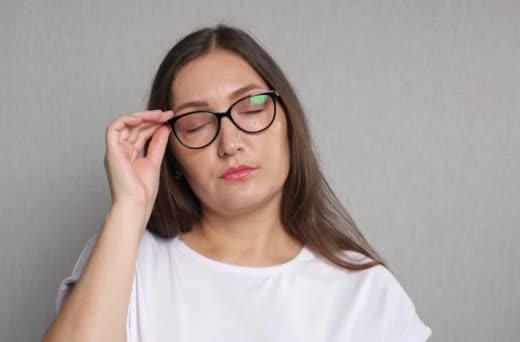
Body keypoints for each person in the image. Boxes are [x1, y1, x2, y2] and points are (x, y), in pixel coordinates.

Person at [42, 24, 432, 342]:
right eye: (196, 125)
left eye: (251, 108)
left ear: (288, 122)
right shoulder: (127, 257)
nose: (230, 144)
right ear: (172, 155)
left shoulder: (363, 290)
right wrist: (129, 208)